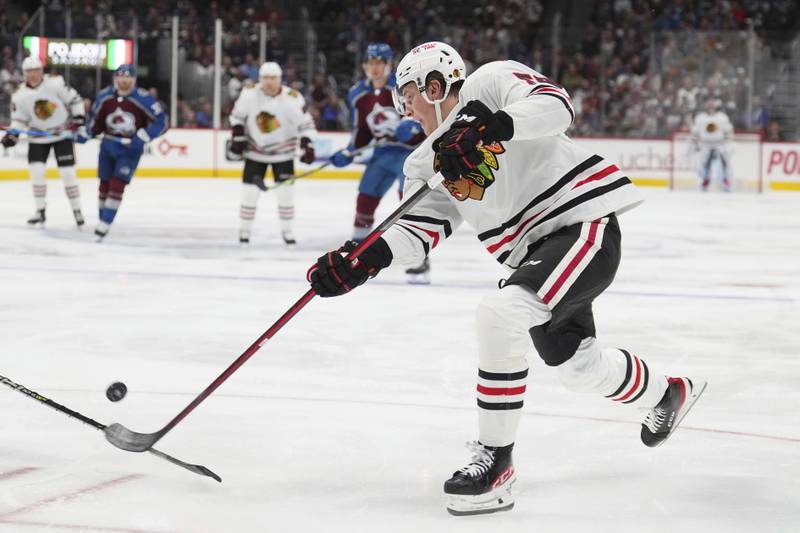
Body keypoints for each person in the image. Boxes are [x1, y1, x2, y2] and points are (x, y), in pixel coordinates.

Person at [308, 42, 706, 516]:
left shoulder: (490, 83)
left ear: (435, 87)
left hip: (580, 224)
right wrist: (363, 261)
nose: (405, 107)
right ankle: (668, 392)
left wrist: (489, 126)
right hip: (535, 259)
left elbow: (556, 106)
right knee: (579, 368)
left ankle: (496, 461)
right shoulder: (424, 163)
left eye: (409, 94)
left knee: (499, 315)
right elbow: (419, 232)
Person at [329, 43, 429, 283]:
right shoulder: (357, 93)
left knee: (407, 202)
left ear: (388, 65)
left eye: (379, 63)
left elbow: (427, 116)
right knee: (365, 196)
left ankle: (419, 256)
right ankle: (358, 250)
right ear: (364, 65)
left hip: (410, 153)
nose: (374, 68)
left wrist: (415, 129)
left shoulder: (404, 85)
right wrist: (349, 151)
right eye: (370, 63)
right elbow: (362, 130)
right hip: (382, 153)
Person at [229, 61, 317, 245]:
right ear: (260, 79)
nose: (269, 82)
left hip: (283, 154)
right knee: (249, 193)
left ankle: (287, 232)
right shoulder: (249, 94)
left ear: (280, 79)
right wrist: (237, 134)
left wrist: (307, 143)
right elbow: (236, 116)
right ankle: (244, 231)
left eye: (273, 78)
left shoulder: (292, 97)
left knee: (286, 194)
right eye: (265, 78)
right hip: (255, 152)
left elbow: (306, 123)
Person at [78, 64, 168, 239]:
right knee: (104, 184)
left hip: (129, 150)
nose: (124, 80)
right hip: (108, 146)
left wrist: (144, 135)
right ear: (115, 78)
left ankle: (105, 223)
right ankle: (102, 217)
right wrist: (88, 133)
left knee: (117, 184)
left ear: (133, 80)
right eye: (121, 76)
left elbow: (162, 121)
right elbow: (97, 122)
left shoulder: (143, 98)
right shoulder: (105, 96)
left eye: (128, 77)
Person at [2, 56, 86, 226]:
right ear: (24, 73)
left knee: (68, 174)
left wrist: (79, 119)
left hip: (61, 133)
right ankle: (40, 210)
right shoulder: (19, 95)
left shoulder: (55, 83)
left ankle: (77, 210)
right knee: (37, 172)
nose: (33, 75)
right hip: (38, 136)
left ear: (42, 71)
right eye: (29, 71)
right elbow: (19, 119)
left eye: (36, 70)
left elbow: (75, 99)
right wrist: (13, 134)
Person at [690, 98, 734, 192]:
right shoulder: (700, 118)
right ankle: (705, 181)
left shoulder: (722, 117)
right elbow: (695, 133)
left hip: (720, 145)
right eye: (709, 105)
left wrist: (727, 143)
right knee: (704, 165)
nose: (711, 107)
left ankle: (725, 182)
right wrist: (696, 144)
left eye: (712, 105)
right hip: (705, 145)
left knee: (724, 164)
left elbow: (729, 132)